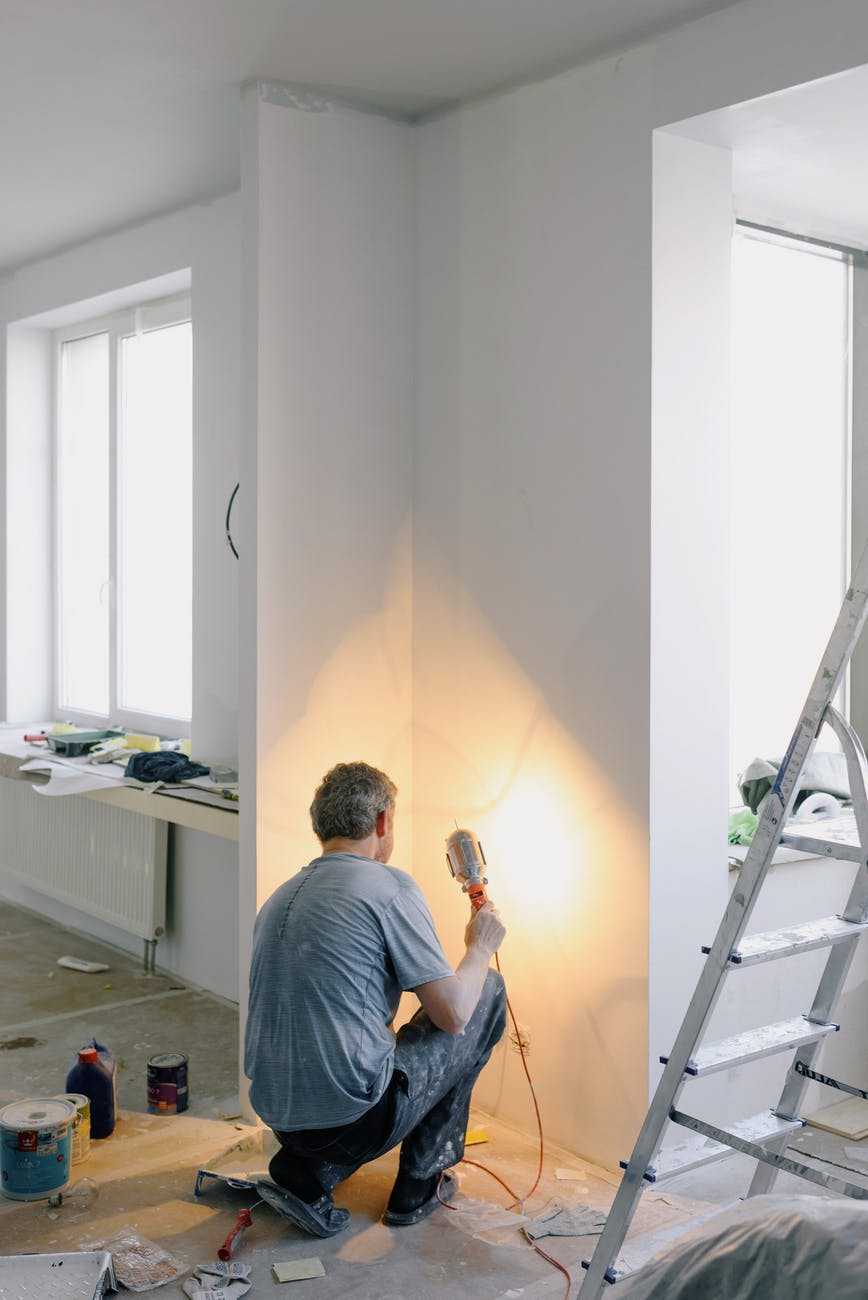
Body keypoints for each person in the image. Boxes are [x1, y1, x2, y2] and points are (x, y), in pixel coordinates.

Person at [244, 760, 507, 1237]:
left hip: (280, 1118)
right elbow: (453, 1014)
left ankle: (309, 1171)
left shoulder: (279, 898)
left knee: (374, 1043)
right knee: (485, 992)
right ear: (382, 822)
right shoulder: (389, 887)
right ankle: (419, 1184)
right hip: (356, 1121)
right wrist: (480, 947)